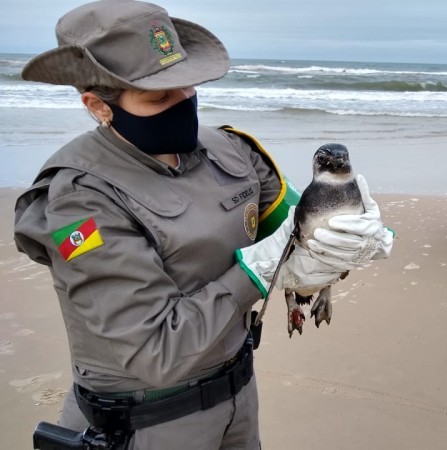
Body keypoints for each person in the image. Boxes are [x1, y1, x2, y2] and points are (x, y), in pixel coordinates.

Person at [14, 1, 393, 449]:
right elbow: (156, 351)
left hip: (237, 395)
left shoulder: (232, 151)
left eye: (186, 84)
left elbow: (297, 230)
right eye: (158, 96)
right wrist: (258, 269)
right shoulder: (78, 203)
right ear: (98, 106)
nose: (184, 102)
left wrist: (347, 230)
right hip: (146, 420)